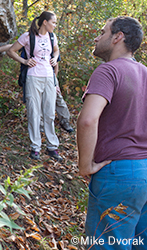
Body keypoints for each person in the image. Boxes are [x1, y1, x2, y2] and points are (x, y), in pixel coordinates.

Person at [77, 16, 147, 249]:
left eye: (103, 32)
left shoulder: (107, 72)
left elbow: (87, 120)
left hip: (118, 174)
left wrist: (85, 165)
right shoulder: (145, 74)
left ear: (118, 37)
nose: (97, 37)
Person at [5, 11, 63, 161]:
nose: (55, 25)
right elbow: (11, 51)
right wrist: (24, 61)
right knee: (34, 112)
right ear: (45, 22)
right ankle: (35, 148)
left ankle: (52, 147)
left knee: (49, 113)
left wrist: (55, 59)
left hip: (49, 77)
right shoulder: (28, 36)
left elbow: (56, 51)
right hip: (33, 77)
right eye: (54, 22)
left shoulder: (52, 36)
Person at [0, 42, 74, 133]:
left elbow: (55, 65)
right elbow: (12, 47)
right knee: (37, 101)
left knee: (58, 98)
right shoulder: (30, 40)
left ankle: (65, 122)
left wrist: (54, 83)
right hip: (33, 76)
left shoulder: (49, 41)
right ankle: (41, 126)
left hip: (49, 76)